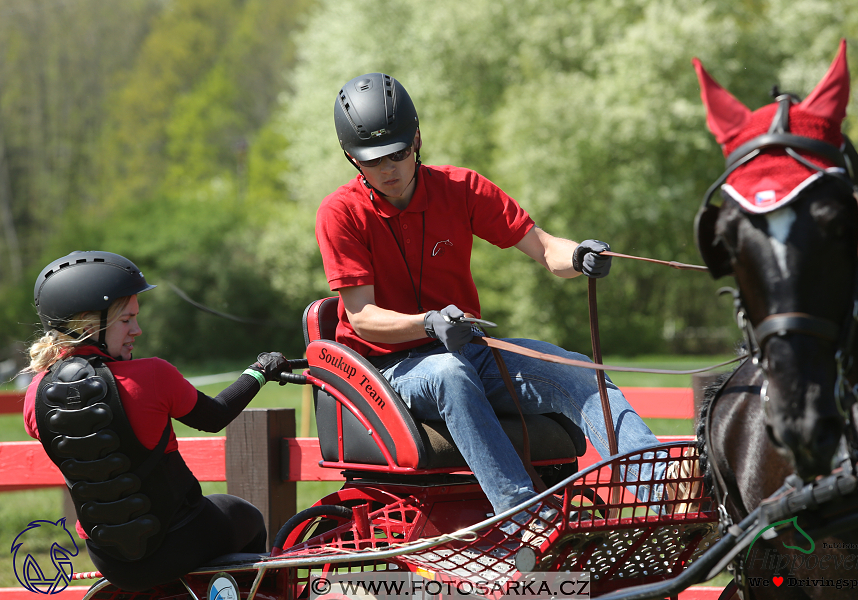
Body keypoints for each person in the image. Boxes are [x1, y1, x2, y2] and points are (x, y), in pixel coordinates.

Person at [317, 73, 669, 533]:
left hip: (468, 348)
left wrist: (579, 255)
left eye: (400, 152)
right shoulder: (339, 212)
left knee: (578, 370)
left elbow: (545, 249)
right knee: (449, 374)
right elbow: (362, 319)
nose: (391, 168)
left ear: (418, 138)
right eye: (375, 159)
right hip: (391, 371)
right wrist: (428, 324)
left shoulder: (462, 189)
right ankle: (526, 520)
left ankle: (663, 496)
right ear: (352, 158)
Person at [22, 251, 292, 591]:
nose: (137, 329)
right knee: (246, 516)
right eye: (126, 320)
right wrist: (259, 371)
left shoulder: (34, 396)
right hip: (180, 540)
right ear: (90, 325)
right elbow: (215, 417)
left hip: (109, 559)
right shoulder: (151, 375)